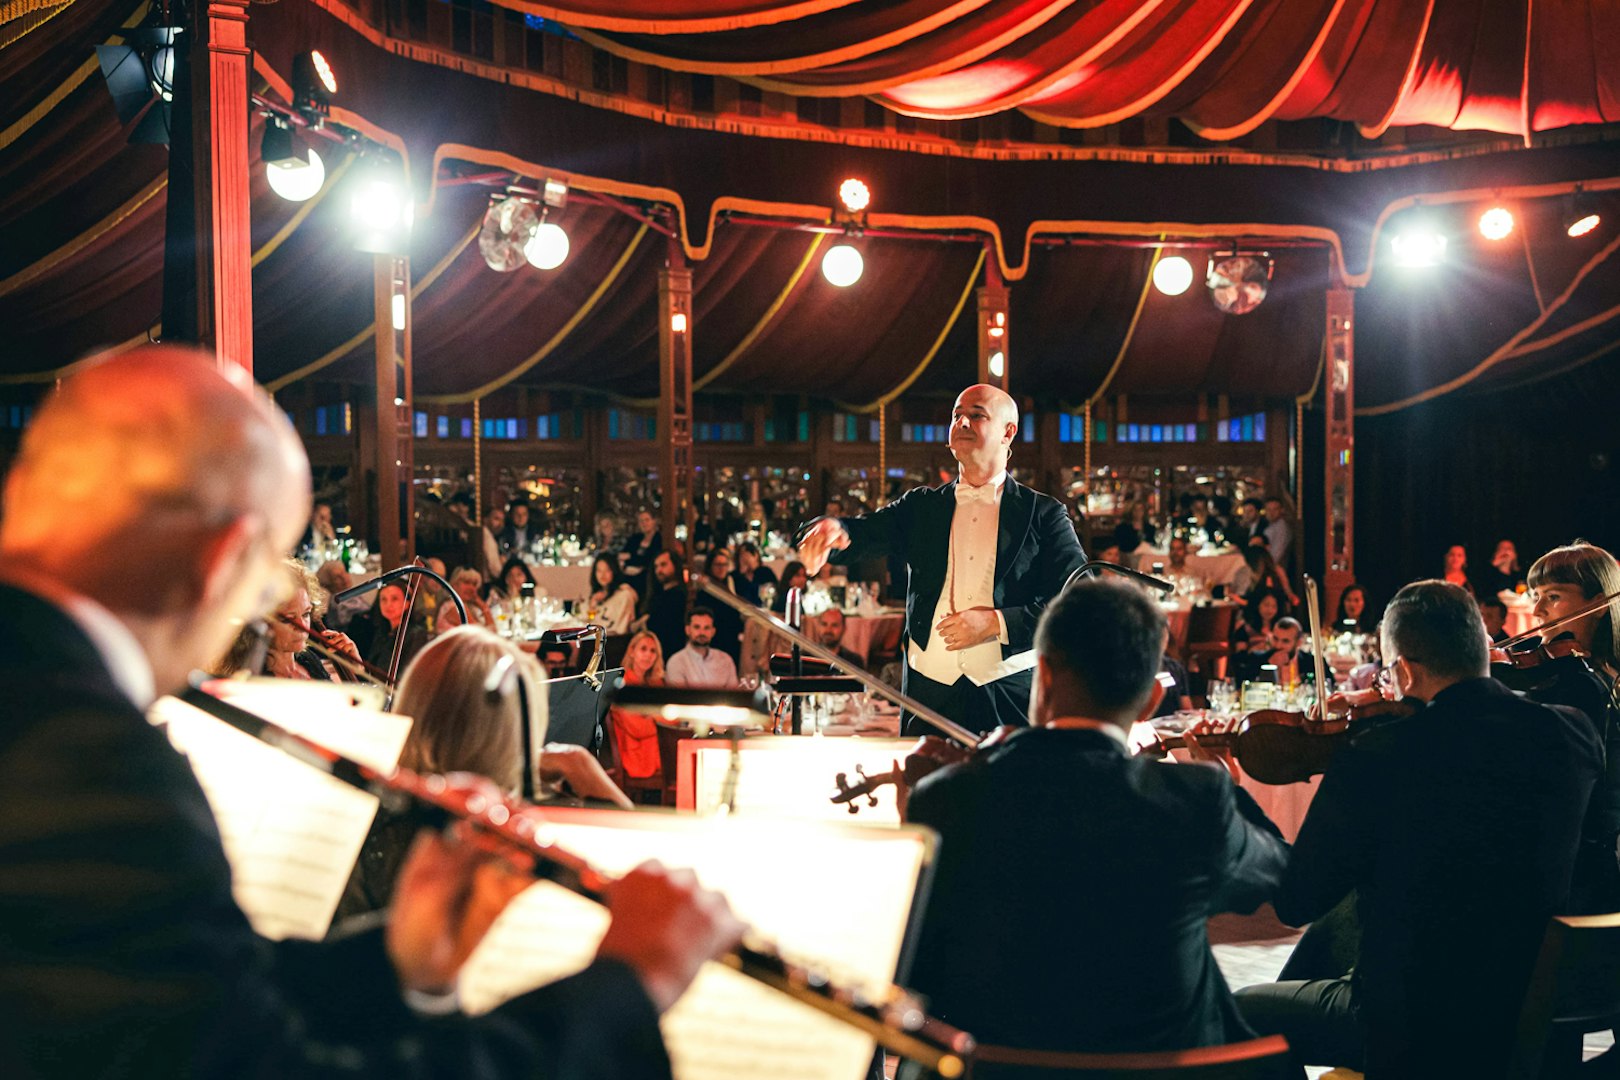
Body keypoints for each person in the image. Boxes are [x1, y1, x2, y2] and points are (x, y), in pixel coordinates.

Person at [0, 344, 743, 1079]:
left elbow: (191, 1004)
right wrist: (625, 989)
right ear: (224, 559)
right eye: (264, 590)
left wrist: (398, 962)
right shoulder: (91, 762)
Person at [900, 578, 1287, 1056]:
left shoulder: (948, 797)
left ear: (1042, 675)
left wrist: (916, 807)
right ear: (1150, 700)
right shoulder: (1195, 799)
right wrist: (1228, 787)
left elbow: (915, 971)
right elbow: (1284, 879)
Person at [1235, 581, 1602, 1079]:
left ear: (1404, 670)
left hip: (1408, 1023)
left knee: (1241, 1011)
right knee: (1336, 932)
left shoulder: (1378, 755)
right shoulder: (1574, 735)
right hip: (1524, 1005)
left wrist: (1236, 804)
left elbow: (1295, 901)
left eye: (1389, 673)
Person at [798, 385, 1085, 735]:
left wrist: (997, 623)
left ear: (1008, 432)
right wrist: (833, 529)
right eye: (956, 415)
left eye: (976, 415)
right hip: (928, 690)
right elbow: (863, 532)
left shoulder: (1043, 514)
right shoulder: (922, 506)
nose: (962, 422)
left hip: (1007, 693)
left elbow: (1076, 603)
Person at [339, 626, 632, 921]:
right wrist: (582, 768)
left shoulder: (373, 819)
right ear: (505, 738)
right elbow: (636, 898)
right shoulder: (506, 848)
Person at [1515, 542, 1620, 913]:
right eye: (1536, 596)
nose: (1538, 610)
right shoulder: (1571, 676)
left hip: (1585, 870)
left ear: (1599, 604)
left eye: (1553, 596)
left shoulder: (1583, 684)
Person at [215, 558, 362, 679]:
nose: (302, 627)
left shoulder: (307, 660)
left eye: (305, 614)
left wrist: (355, 671)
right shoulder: (253, 680)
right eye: (287, 619)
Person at [610, 630, 667, 784]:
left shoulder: (656, 683)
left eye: (653, 651)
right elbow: (638, 729)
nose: (648, 655)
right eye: (643, 649)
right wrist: (658, 718)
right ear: (632, 652)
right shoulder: (621, 683)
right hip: (637, 755)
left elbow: (674, 721)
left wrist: (651, 717)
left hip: (657, 749)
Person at [353, 580, 430, 675]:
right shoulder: (382, 631)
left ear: (407, 603)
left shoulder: (416, 635)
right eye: (383, 599)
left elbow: (406, 674)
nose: (388, 604)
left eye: (394, 599)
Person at [664, 608, 739, 688]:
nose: (702, 633)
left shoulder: (726, 660)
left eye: (707, 628)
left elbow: (733, 693)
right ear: (687, 630)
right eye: (697, 627)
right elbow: (678, 695)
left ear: (713, 632)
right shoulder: (676, 662)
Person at [696, 549, 743, 662]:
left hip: (731, 638)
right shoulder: (705, 590)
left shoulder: (731, 584)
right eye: (718, 565)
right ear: (710, 566)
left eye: (725, 564)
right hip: (715, 640)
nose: (722, 568)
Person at [643, 550, 689, 662]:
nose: (659, 570)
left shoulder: (680, 595)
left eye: (663, 565)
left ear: (675, 565)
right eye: (656, 567)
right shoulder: (657, 595)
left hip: (672, 654)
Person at [587, 553, 640, 635]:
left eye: (607, 570)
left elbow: (621, 629)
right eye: (599, 570)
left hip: (614, 639)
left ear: (614, 571)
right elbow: (591, 623)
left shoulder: (624, 595)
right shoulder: (599, 595)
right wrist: (592, 605)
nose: (602, 575)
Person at [433, 567, 497, 631]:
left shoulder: (470, 608)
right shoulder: (452, 606)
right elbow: (483, 633)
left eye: (474, 584)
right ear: (454, 585)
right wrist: (484, 606)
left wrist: (482, 605)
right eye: (466, 582)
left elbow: (492, 631)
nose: (471, 588)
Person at [621, 509, 663, 595]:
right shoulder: (635, 538)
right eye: (641, 521)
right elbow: (623, 555)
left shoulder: (659, 539)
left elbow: (650, 559)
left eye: (647, 520)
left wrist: (631, 557)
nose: (644, 523)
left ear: (654, 521)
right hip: (629, 575)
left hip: (648, 577)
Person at [729, 541, 778, 607]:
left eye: (747, 555)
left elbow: (773, 591)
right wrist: (742, 572)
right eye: (741, 556)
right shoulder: (734, 576)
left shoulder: (765, 572)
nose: (745, 558)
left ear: (755, 555)